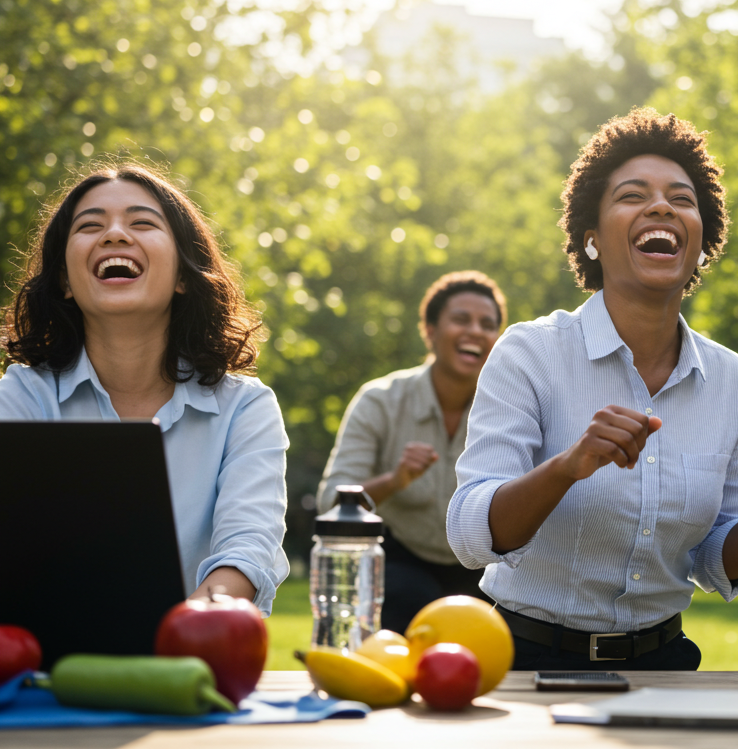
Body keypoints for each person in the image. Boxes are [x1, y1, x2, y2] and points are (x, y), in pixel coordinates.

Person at [446, 108, 738, 671]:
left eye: (681, 199)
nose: (661, 207)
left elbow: (712, 561)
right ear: (592, 239)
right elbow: (470, 533)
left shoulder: (736, 383)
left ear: (702, 243)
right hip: (526, 662)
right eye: (633, 195)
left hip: (665, 664)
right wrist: (567, 467)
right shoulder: (529, 353)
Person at [0, 162, 289, 615]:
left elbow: (246, 551)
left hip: (191, 651)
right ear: (64, 280)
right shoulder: (22, 395)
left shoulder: (246, 408)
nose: (114, 235)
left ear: (182, 275)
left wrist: (181, 635)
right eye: (90, 225)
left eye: (142, 223)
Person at [317, 271, 505, 633]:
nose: (475, 331)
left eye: (488, 325)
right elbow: (330, 503)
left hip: (484, 565)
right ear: (430, 331)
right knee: (407, 592)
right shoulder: (379, 401)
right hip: (402, 561)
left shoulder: (508, 407)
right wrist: (394, 480)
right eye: (461, 319)